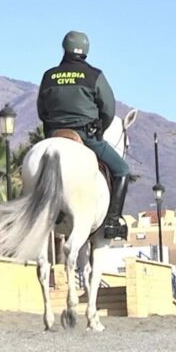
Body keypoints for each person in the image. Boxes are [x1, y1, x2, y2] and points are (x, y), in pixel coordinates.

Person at [37, 30, 131, 239]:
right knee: (123, 170)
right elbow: (108, 109)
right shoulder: (94, 75)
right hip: (85, 136)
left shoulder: (49, 75)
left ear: (64, 48)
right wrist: (99, 130)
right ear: (86, 51)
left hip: (54, 134)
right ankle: (113, 221)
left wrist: (51, 132)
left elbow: (41, 110)